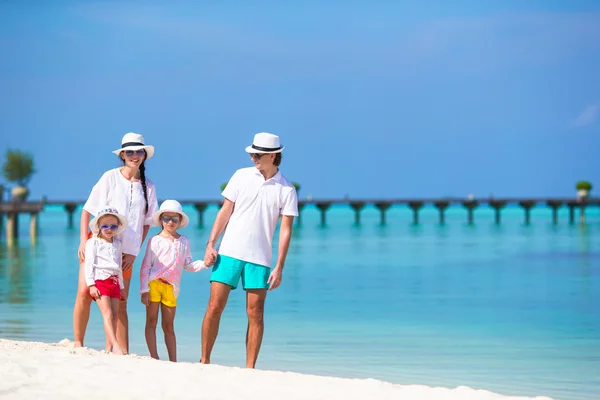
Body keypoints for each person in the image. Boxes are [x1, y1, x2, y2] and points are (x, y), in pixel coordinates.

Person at [201, 132, 298, 368]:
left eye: (258, 154)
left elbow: (286, 230)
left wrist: (280, 266)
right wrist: (210, 244)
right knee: (214, 307)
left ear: (273, 155)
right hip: (229, 252)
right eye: (252, 153)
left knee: (255, 313)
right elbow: (225, 211)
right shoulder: (240, 176)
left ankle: (250, 368)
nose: (253, 157)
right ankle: (204, 361)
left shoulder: (286, 189)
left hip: (260, 259)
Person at [74, 132, 159, 353]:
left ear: (144, 155)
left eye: (138, 151)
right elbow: (87, 211)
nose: (134, 155)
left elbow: (147, 223)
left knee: (120, 300)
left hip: (125, 252)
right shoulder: (109, 177)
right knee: (85, 292)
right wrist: (84, 241)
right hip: (97, 244)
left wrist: (135, 252)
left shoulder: (148, 186)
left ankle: (119, 350)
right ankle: (78, 343)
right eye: (129, 151)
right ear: (122, 155)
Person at [140, 199, 209, 362]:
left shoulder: (184, 242)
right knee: (151, 321)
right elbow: (145, 267)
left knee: (168, 325)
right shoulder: (154, 241)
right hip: (154, 284)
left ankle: (173, 360)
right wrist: (144, 290)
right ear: (161, 220)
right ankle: (154, 356)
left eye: (174, 219)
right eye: (166, 218)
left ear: (179, 221)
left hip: (172, 288)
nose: (170, 222)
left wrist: (205, 264)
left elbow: (188, 265)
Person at [84, 207, 129, 355]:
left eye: (113, 226)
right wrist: (91, 284)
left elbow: (118, 267)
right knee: (107, 313)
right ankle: (116, 344)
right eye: (105, 226)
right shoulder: (93, 243)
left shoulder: (117, 244)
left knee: (115, 315)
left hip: (114, 282)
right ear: (98, 227)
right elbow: (88, 264)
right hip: (100, 280)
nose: (109, 229)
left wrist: (121, 286)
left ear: (117, 227)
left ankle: (108, 348)